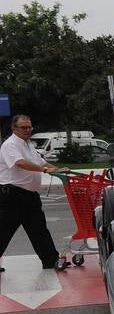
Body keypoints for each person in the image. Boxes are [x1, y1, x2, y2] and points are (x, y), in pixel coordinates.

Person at [0, 115, 62, 272]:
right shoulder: (10, 145)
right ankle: (51, 259)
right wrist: (45, 170)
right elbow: (20, 163)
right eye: (24, 127)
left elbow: (41, 162)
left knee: (39, 229)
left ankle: (51, 261)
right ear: (14, 128)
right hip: (12, 195)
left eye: (30, 127)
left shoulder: (28, 145)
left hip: (29, 195)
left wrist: (58, 170)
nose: (28, 130)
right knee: (4, 231)